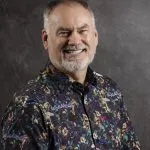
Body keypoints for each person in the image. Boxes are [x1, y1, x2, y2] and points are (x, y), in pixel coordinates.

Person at [1, 0, 140, 149]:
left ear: (95, 36)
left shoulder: (110, 91)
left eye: (82, 31)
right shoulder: (28, 107)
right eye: (64, 32)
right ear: (46, 39)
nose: (74, 40)